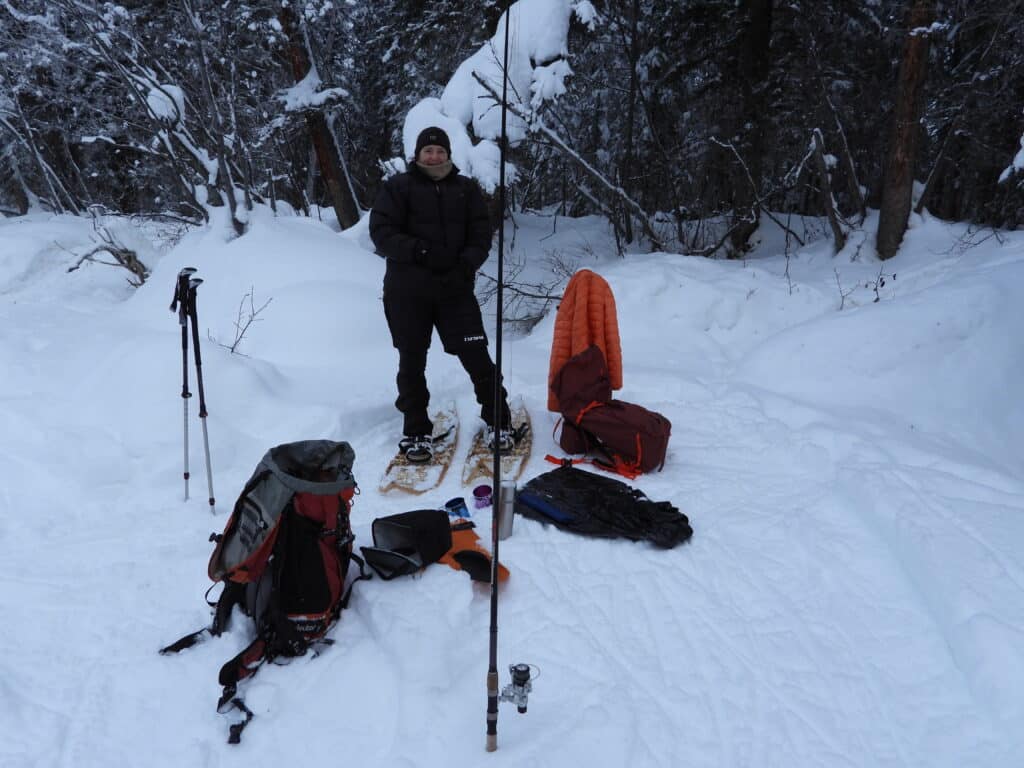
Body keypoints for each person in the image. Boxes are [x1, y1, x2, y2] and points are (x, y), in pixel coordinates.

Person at [369, 126, 512, 463]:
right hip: (407, 293)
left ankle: (498, 420)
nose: (434, 156)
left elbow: (481, 234)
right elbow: (382, 233)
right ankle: (417, 431)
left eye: (440, 151)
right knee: (412, 361)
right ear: (417, 155)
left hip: (455, 290)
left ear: (449, 154)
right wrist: (421, 251)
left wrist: (465, 264)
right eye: (427, 151)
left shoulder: (465, 189)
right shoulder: (398, 187)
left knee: (476, 355)